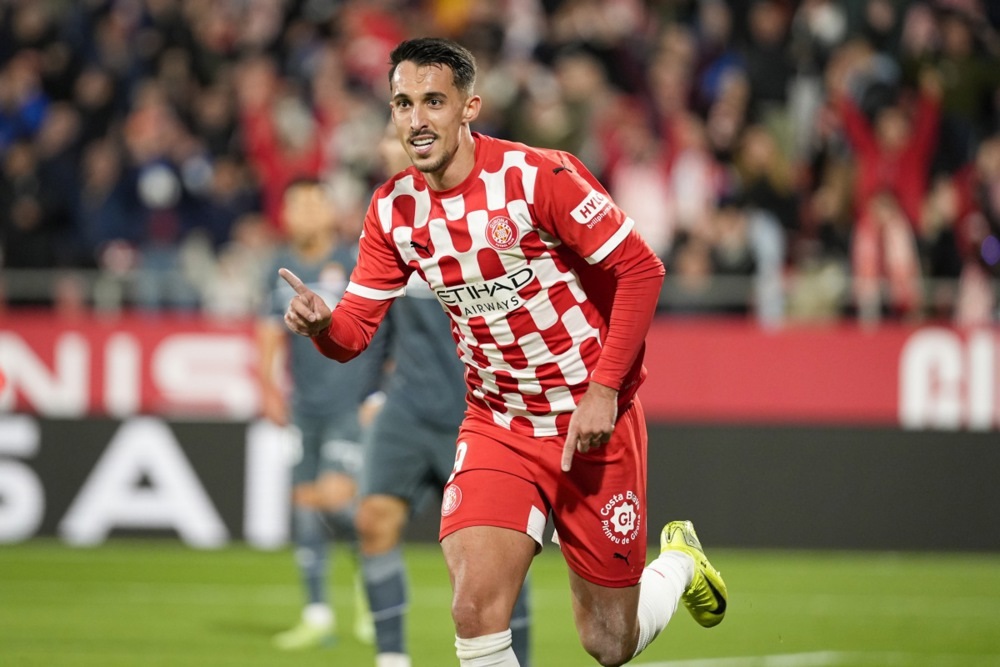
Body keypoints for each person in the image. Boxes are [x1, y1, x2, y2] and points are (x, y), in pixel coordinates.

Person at [280, 38, 728, 667]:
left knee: (608, 642)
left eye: (434, 101)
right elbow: (354, 334)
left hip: (589, 421)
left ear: (470, 107)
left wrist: (604, 390)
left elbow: (641, 270)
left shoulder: (536, 176)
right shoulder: (393, 210)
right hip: (499, 425)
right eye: (403, 104)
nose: (416, 120)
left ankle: (678, 564)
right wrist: (322, 323)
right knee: (474, 609)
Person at [354, 126, 531, 667]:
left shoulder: (482, 213)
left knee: (497, 557)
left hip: (480, 408)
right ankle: (391, 659)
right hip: (407, 404)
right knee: (373, 520)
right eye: (390, 142)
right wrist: (371, 392)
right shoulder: (387, 225)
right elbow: (372, 319)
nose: (396, 149)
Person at [259, 177, 379, 650]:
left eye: (314, 203)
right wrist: (268, 386)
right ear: (285, 215)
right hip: (304, 407)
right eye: (297, 205)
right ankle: (316, 614)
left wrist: (377, 395)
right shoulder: (278, 269)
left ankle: (373, 579)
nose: (306, 213)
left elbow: (383, 330)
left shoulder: (356, 263)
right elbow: (268, 331)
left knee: (335, 500)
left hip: (349, 403)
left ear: (331, 211)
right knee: (306, 506)